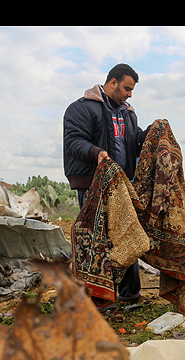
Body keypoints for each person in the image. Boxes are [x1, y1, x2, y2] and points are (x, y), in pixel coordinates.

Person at [63, 63, 147, 310]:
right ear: (113, 82)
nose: (130, 94)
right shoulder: (82, 108)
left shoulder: (129, 114)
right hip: (93, 181)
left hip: (123, 184)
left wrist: (150, 135)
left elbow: (133, 142)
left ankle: (129, 294)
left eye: (132, 90)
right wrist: (96, 152)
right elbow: (73, 141)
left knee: (127, 233)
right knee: (97, 240)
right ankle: (100, 299)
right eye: (127, 88)